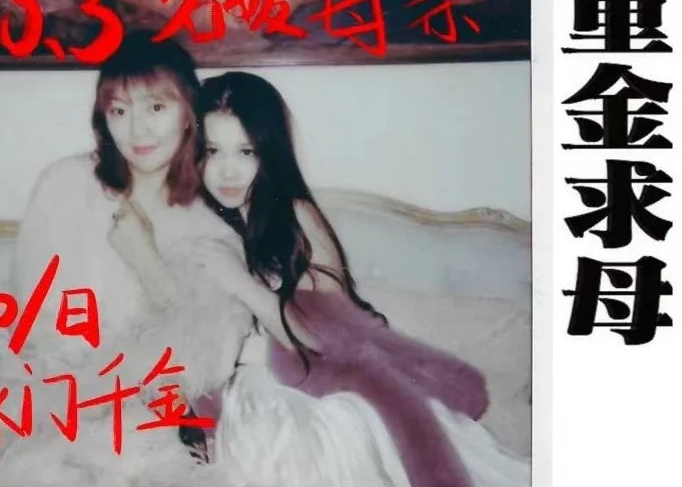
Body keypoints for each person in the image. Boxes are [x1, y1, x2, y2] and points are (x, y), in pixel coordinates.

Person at [0, 31, 254, 487]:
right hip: (39, 380)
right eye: (119, 111)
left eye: (156, 108)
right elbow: (31, 313)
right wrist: (35, 388)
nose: (137, 130)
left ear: (189, 114)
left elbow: (204, 359)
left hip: (127, 408)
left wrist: (146, 260)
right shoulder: (66, 184)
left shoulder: (210, 232)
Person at [191, 71, 531, 487]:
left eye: (246, 151)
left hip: (314, 384)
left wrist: (240, 283)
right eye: (212, 151)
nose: (227, 171)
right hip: (238, 395)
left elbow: (323, 337)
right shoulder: (197, 225)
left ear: (269, 153)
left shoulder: (295, 215)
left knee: (322, 434)